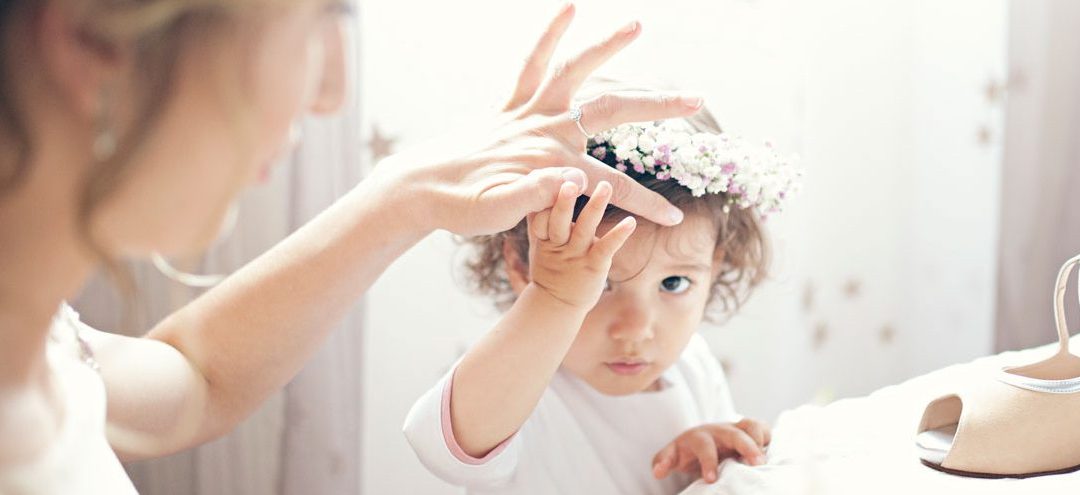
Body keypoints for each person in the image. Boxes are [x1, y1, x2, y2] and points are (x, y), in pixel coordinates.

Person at [0, 2, 705, 492]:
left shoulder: (42, 356)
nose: (330, 91)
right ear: (94, 42)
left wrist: (402, 192)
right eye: (316, 20)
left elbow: (194, 379)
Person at [403, 79, 801, 494]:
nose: (635, 328)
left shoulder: (693, 366)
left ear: (714, 266)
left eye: (674, 282)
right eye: (600, 283)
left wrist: (711, 453)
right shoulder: (523, 381)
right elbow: (439, 444)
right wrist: (555, 299)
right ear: (523, 266)